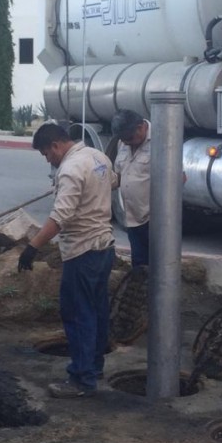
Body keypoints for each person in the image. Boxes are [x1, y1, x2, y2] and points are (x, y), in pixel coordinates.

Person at [19, 123, 117, 398]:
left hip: (82, 252)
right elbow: (113, 181)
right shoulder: (98, 157)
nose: (47, 160)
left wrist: (32, 247)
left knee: (78, 315)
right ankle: (94, 367)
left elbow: (60, 217)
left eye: (46, 154)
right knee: (97, 312)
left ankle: (81, 380)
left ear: (55, 146)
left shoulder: (71, 169)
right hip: (104, 248)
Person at [111, 110, 151, 268]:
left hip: (154, 221)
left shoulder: (162, 140)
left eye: (129, 138)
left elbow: (178, 179)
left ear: (141, 127)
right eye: (123, 139)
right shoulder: (124, 142)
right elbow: (120, 176)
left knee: (157, 267)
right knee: (139, 266)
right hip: (133, 218)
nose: (126, 142)